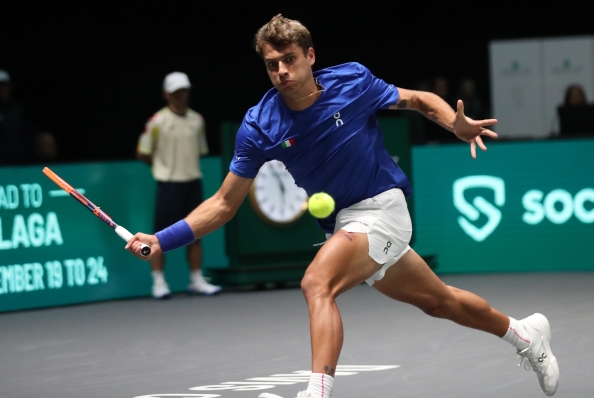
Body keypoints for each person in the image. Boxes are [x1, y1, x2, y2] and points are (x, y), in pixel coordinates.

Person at [126, 15, 559, 397]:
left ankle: (317, 393)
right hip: (345, 225)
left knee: (317, 283)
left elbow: (418, 100)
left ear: (310, 56)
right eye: (271, 64)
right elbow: (223, 204)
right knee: (440, 302)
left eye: (289, 59)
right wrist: (164, 240)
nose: (281, 71)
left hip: (384, 208)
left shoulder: (351, 81)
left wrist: (455, 124)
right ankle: (523, 334)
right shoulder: (259, 124)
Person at [136, 71, 222, 299]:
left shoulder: (197, 120)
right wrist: (161, 166)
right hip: (168, 185)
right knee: (159, 236)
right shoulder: (157, 122)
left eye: (183, 91)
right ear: (167, 94)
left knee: (195, 233)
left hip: (192, 182)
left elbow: (200, 151)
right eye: (175, 92)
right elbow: (142, 152)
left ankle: (196, 280)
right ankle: (159, 283)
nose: (180, 95)